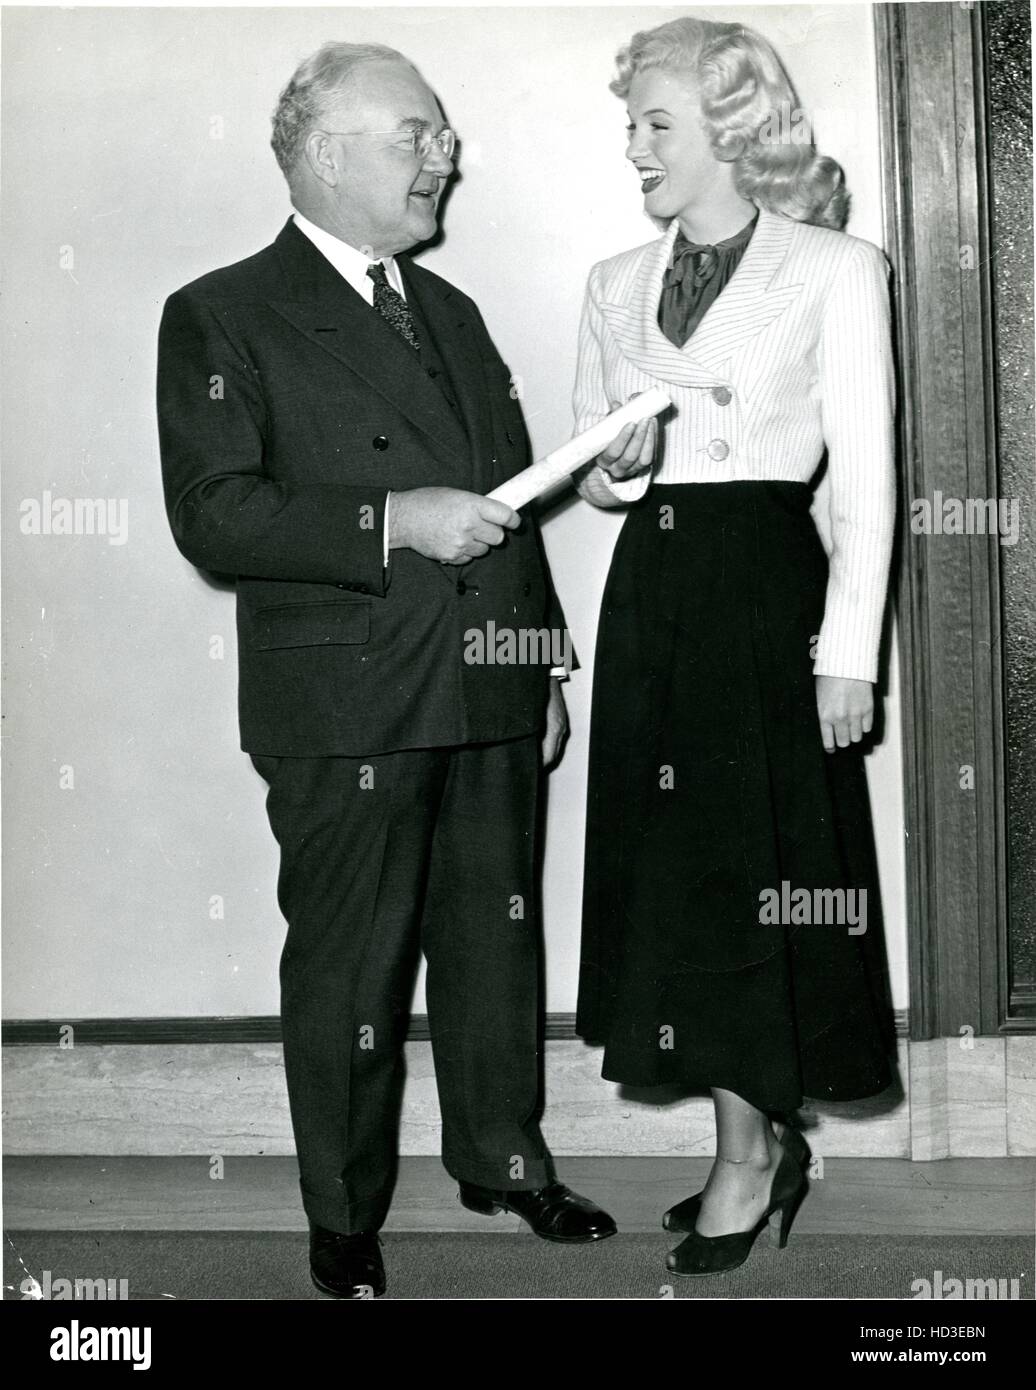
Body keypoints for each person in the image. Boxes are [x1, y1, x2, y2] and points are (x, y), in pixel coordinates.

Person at [157, 40, 615, 1301]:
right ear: (325, 153)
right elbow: (214, 513)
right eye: (416, 133)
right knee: (353, 964)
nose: (444, 154)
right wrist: (390, 519)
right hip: (346, 693)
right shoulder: (220, 310)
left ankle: (503, 1158)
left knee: (496, 940)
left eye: (443, 134)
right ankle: (345, 1214)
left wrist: (544, 660)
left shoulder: (449, 311)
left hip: (488, 684)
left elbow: (511, 509)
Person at [572, 16, 897, 1277]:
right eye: (633, 125)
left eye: (657, 123)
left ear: (731, 128)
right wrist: (613, 468)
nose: (636, 147)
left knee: (761, 867)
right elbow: (593, 468)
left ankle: (752, 1151)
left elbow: (865, 477)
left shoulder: (835, 266)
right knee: (677, 877)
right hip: (649, 596)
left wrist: (847, 651)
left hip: (768, 597)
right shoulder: (611, 280)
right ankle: (750, 1139)